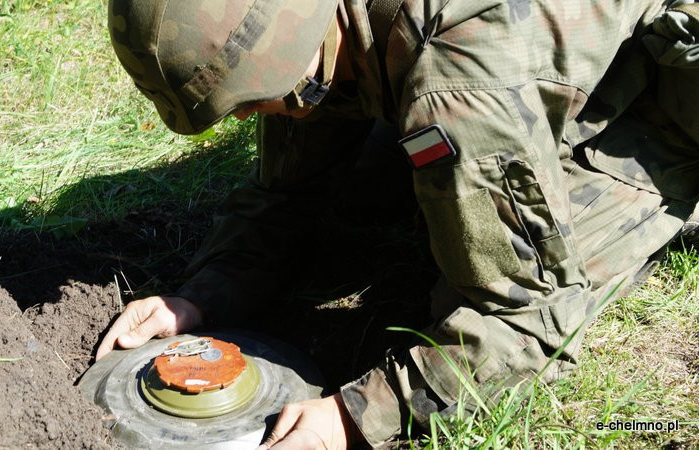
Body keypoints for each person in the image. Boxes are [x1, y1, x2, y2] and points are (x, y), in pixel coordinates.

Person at [96, 0, 699, 448]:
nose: (252, 119)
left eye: (253, 102)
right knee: (379, 186)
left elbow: (529, 319)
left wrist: (357, 416)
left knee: (466, 298)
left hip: (670, 91)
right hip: (517, 63)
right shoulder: (311, 28)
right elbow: (290, 191)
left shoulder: (458, 86)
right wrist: (200, 298)